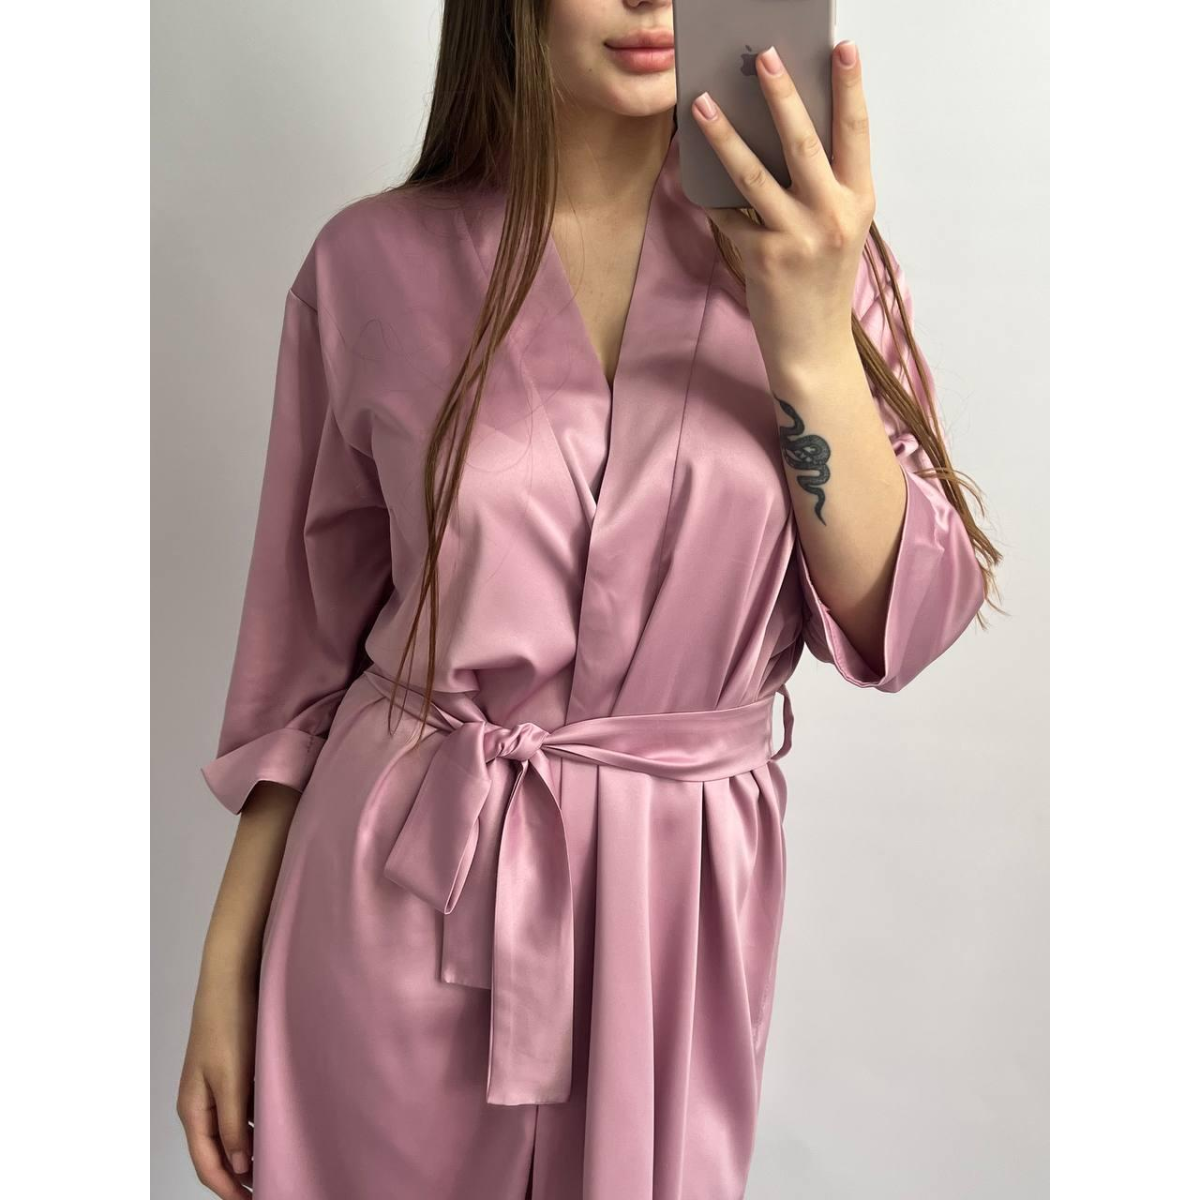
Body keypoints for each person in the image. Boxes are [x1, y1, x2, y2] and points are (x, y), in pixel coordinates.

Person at [177, 1, 1000, 1197]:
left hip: (670, 920)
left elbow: (903, 624)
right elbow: (302, 666)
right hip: (397, 895)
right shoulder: (367, 266)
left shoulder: (819, 257)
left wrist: (812, 337)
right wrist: (225, 963)